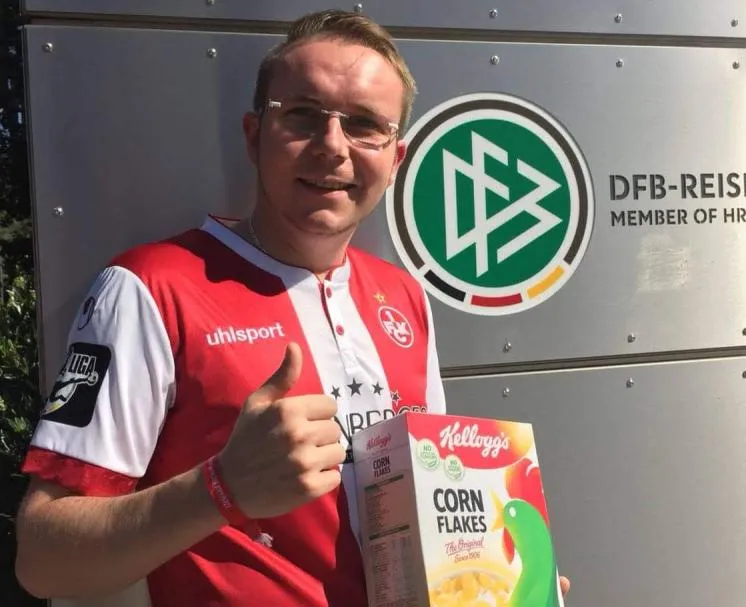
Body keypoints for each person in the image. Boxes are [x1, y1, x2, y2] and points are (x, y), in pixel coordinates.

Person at [15, 9, 569, 606]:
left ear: (395, 160)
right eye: (303, 115)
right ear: (255, 136)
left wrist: (500, 584)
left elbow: (424, 532)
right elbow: (44, 561)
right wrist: (219, 489)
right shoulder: (150, 287)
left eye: (365, 125)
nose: (332, 146)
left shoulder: (405, 296)